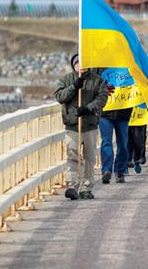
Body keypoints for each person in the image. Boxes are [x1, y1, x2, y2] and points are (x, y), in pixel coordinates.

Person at [54, 54, 108, 200]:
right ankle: (72, 186)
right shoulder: (66, 80)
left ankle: (86, 187)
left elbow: (102, 98)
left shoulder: (97, 80)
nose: (81, 65)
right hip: (72, 125)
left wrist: (87, 108)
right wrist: (74, 86)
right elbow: (60, 97)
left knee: (90, 158)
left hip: (89, 124)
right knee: (73, 157)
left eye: (83, 62)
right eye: (77, 63)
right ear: (74, 64)